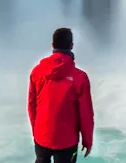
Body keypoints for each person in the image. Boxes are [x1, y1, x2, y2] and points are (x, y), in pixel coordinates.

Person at [28, 27, 94, 162]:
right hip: (67, 140)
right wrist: (87, 140)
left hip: (42, 135)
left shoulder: (37, 71)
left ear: (52, 45)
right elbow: (85, 113)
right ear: (71, 46)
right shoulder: (80, 77)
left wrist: (37, 130)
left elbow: (31, 105)